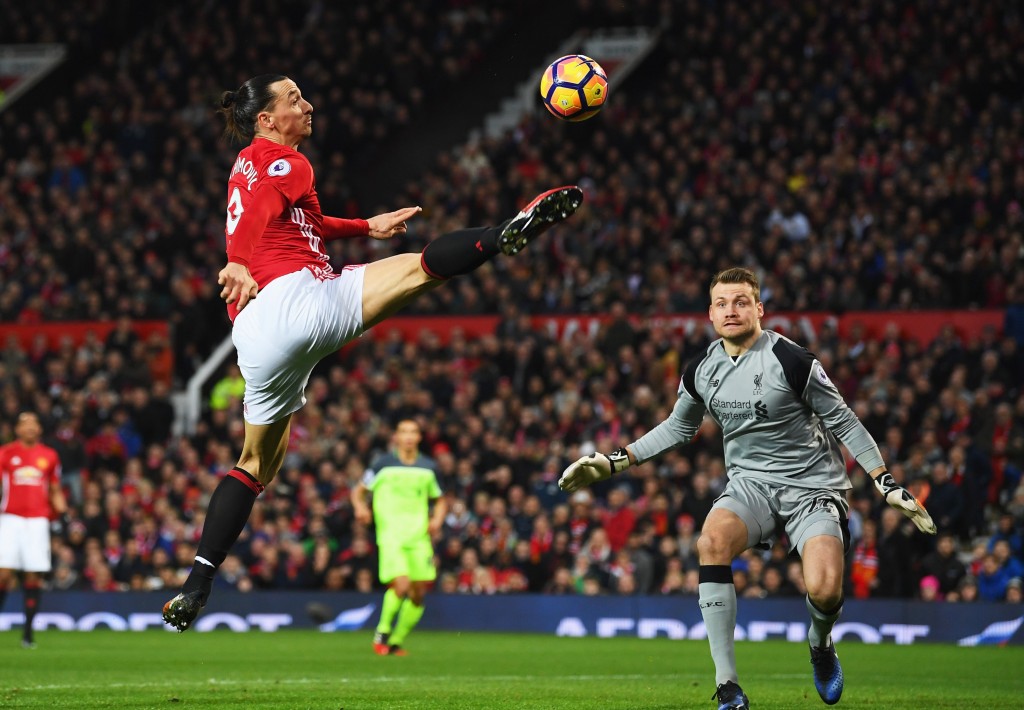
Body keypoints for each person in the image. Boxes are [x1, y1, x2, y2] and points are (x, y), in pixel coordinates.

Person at [161, 74, 582, 631]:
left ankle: (197, 583)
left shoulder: (250, 161)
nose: (307, 104)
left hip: (254, 336)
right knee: (418, 270)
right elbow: (265, 210)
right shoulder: (287, 160)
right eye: (293, 100)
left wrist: (365, 225)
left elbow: (300, 222)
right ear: (266, 119)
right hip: (295, 299)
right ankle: (499, 235)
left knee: (255, 465)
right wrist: (236, 260)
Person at [558, 267, 936, 709]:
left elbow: (845, 421)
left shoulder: (794, 362)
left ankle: (821, 643)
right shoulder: (702, 367)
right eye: (722, 303)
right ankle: (728, 687)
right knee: (711, 541)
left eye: (740, 302)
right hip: (750, 486)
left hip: (812, 488)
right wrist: (612, 461)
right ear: (710, 314)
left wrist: (884, 481)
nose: (731, 310)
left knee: (825, 589)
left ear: (759, 309)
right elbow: (678, 429)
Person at [351, 419, 446, 656]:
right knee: (401, 584)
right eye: (404, 431)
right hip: (391, 534)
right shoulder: (382, 464)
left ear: (419, 437)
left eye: (413, 432)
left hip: (419, 537)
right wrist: (360, 508)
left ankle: (395, 641)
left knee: (417, 593)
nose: (409, 436)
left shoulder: (429, 467)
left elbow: (441, 499)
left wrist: (436, 520)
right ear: (396, 436)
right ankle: (382, 631)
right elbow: (358, 491)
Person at [0, 412, 67, 648]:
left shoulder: (49, 456)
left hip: (38, 521)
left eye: (34, 424)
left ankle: (28, 634)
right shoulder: (5, 453)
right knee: (4, 574)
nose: (30, 428)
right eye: (25, 424)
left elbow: (55, 488)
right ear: (17, 429)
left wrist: (63, 513)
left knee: (33, 575)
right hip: (10, 519)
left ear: (39, 429)